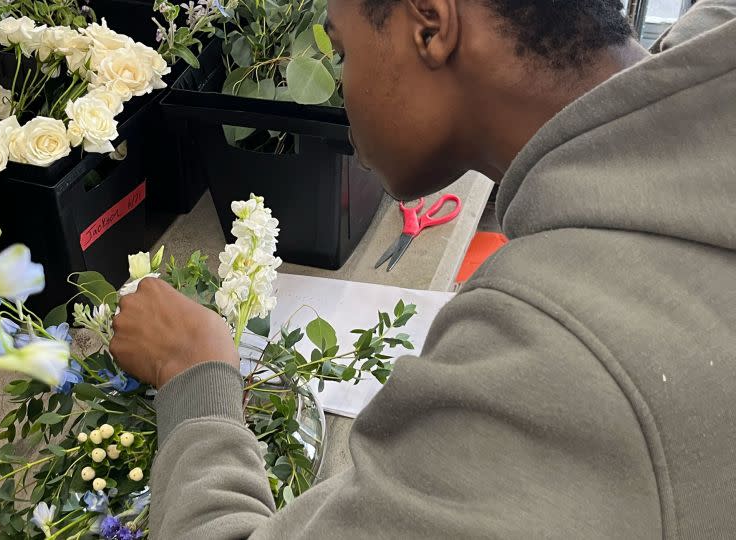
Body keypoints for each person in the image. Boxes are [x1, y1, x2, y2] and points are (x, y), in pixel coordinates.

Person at [109, 0, 736, 537]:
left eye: (342, 49)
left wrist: (194, 373)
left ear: (430, 26)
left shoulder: (562, 359)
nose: (340, 86)